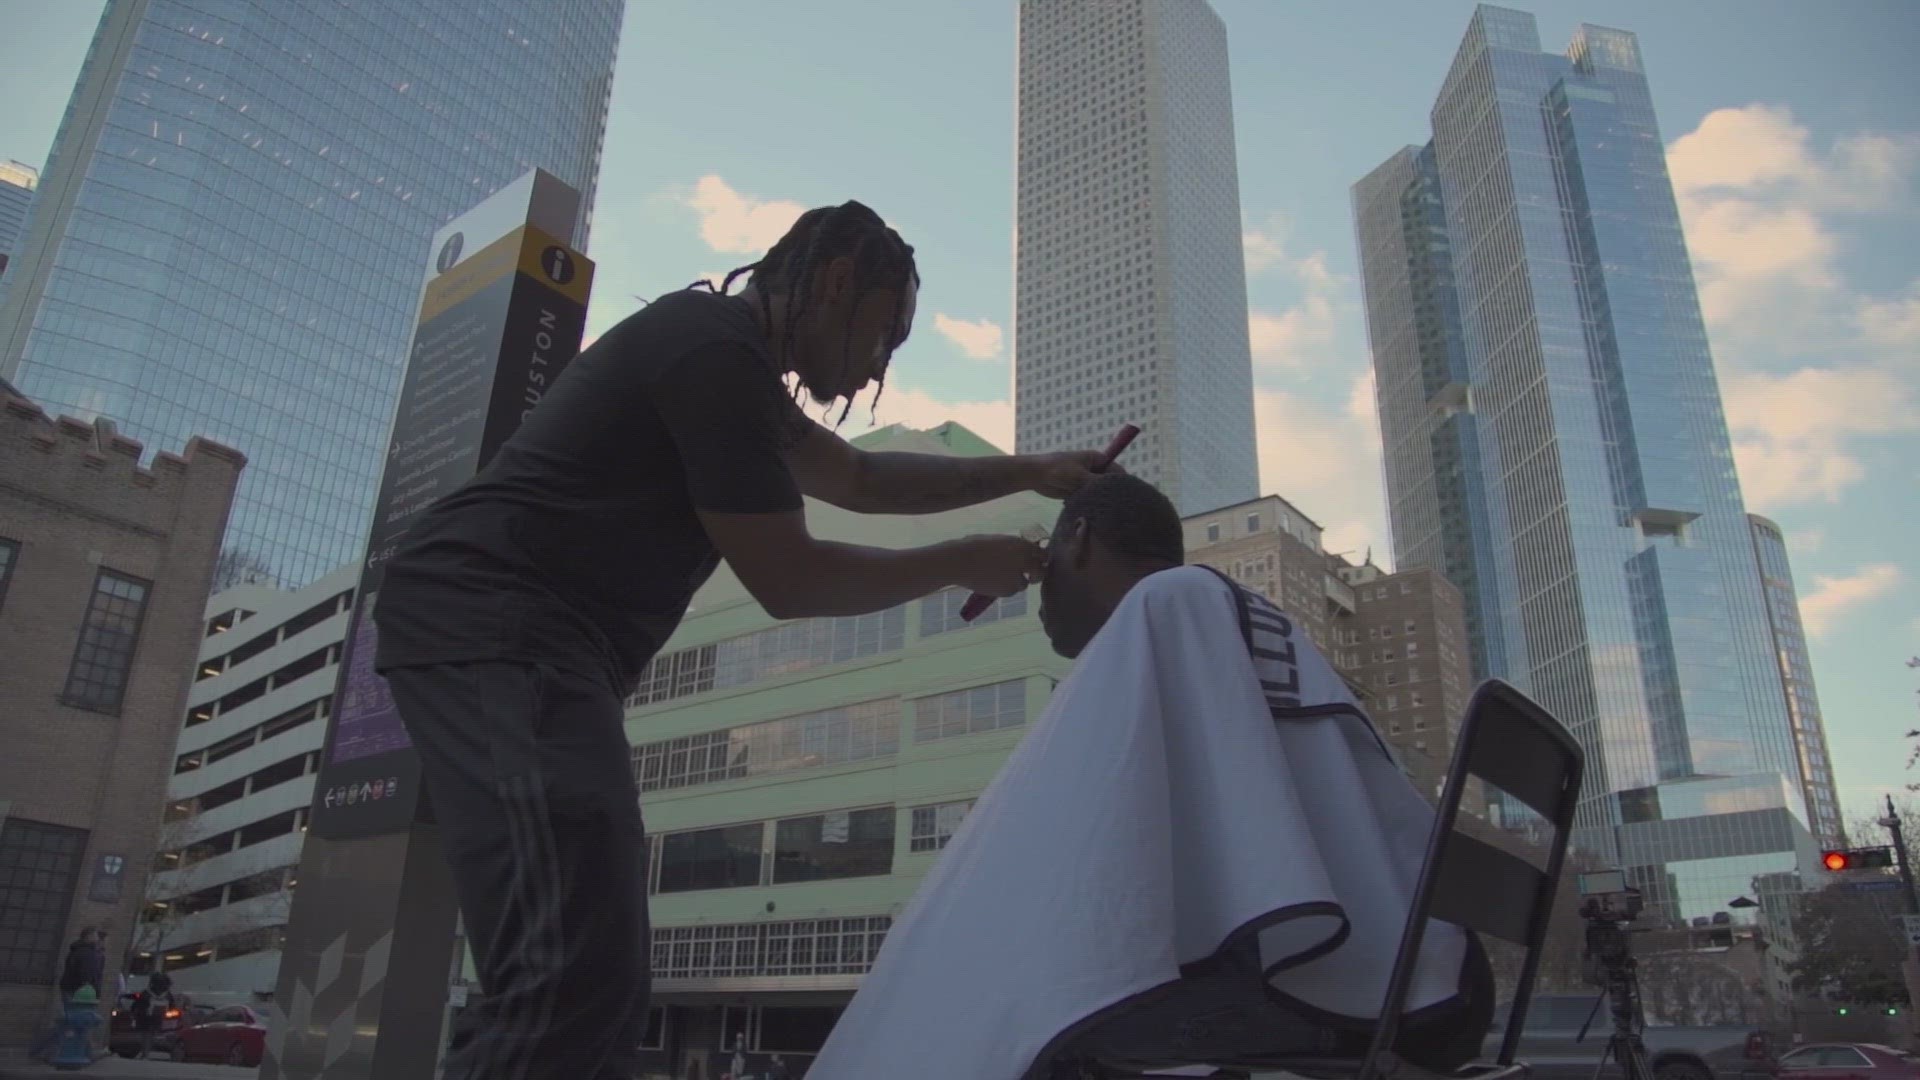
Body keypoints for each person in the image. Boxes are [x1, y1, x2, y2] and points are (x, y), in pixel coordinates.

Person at [371, 200, 1111, 1080]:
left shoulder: (734, 368)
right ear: (836, 282)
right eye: (884, 332)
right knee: (567, 969)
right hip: (500, 622)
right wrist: (959, 561)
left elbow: (864, 477)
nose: (881, 362)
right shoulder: (712, 350)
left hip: (539, 644)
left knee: (585, 968)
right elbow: (789, 579)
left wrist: (1033, 471)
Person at [811, 474, 1492, 1080]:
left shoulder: (1173, 601)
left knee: (988, 1004)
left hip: (1353, 989)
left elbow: (1061, 848)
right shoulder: (1235, 620)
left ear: (1077, 540)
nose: (1039, 599)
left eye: (1046, 567)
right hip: (1424, 974)